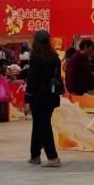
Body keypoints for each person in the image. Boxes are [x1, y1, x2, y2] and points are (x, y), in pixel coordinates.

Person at [26, 30, 63, 167]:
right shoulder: (55, 57)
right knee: (40, 124)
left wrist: (27, 99)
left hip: (38, 98)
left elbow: (32, 80)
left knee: (43, 126)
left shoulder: (36, 58)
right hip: (51, 97)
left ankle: (53, 157)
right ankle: (35, 155)